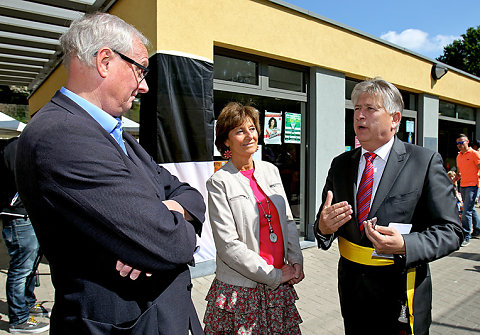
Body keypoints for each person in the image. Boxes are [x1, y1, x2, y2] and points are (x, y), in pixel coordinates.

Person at [15, 13, 205, 334]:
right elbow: (173, 243)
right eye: (140, 70)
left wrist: (157, 222)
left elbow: (186, 193)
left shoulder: (114, 132)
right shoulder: (61, 136)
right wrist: (156, 234)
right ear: (105, 61)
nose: (144, 86)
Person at [314, 78, 462, 335]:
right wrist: (323, 227)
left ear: (394, 119)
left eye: (370, 109)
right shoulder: (341, 164)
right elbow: (324, 220)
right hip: (352, 290)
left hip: (400, 291)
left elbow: (451, 230)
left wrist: (406, 244)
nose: (360, 115)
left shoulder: (423, 162)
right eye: (357, 108)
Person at [204, 102, 304, 334]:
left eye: (252, 128)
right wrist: (276, 275)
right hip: (242, 290)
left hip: (279, 285)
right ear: (226, 141)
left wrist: (296, 260)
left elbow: (288, 221)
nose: (249, 135)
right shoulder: (220, 182)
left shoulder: (270, 170)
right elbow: (228, 246)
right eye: (239, 131)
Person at [1, 138, 50, 334]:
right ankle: (18, 320)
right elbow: (24, 179)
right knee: (21, 269)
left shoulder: (27, 146)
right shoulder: (17, 148)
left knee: (30, 267)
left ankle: (28, 304)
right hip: (19, 217)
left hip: (28, 215)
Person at [454, 134, 480, 245]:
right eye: (457, 143)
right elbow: (459, 172)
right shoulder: (459, 156)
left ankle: (466, 235)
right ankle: (478, 229)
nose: (459, 145)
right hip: (463, 185)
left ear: (467, 141)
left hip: (473, 185)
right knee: (470, 209)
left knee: (466, 211)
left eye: (461, 142)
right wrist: (453, 180)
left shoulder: (474, 154)